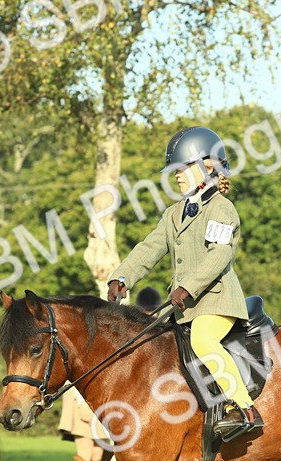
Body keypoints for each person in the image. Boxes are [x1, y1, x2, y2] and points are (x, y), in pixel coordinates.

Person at [106, 126, 263, 442]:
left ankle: (245, 409)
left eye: (182, 168)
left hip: (216, 301)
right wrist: (121, 277)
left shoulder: (221, 208)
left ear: (208, 165)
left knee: (204, 341)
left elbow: (219, 255)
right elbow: (149, 248)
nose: (176, 175)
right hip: (185, 307)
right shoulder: (173, 213)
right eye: (174, 170)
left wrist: (188, 287)